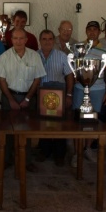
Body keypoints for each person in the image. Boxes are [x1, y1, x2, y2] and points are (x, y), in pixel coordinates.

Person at [0, 28, 46, 172]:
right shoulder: (4, 57)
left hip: (29, 98)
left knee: (26, 132)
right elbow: (1, 80)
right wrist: (11, 100)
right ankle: (6, 160)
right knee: (7, 131)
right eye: (15, 38)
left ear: (26, 40)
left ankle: (26, 160)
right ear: (11, 40)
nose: (18, 41)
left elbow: (37, 78)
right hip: (8, 97)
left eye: (21, 38)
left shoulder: (34, 56)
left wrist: (28, 98)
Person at [71, 21, 106, 167]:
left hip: (98, 89)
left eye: (95, 30)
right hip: (80, 89)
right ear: (86, 31)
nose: (92, 32)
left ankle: (88, 148)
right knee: (77, 120)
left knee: (93, 121)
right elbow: (73, 68)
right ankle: (77, 152)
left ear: (99, 32)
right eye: (89, 29)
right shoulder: (78, 48)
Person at [37, 29, 74, 166]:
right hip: (41, 97)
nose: (47, 41)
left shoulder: (62, 56)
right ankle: (44, 151)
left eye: (50, 39)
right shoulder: (34, 55)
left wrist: (69, 95)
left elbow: (70, 76)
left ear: (54, 41)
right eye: (44, 39)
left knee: (59, 126)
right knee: (43, 125)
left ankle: (60, 154)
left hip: (59, 96)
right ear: (40, 41)